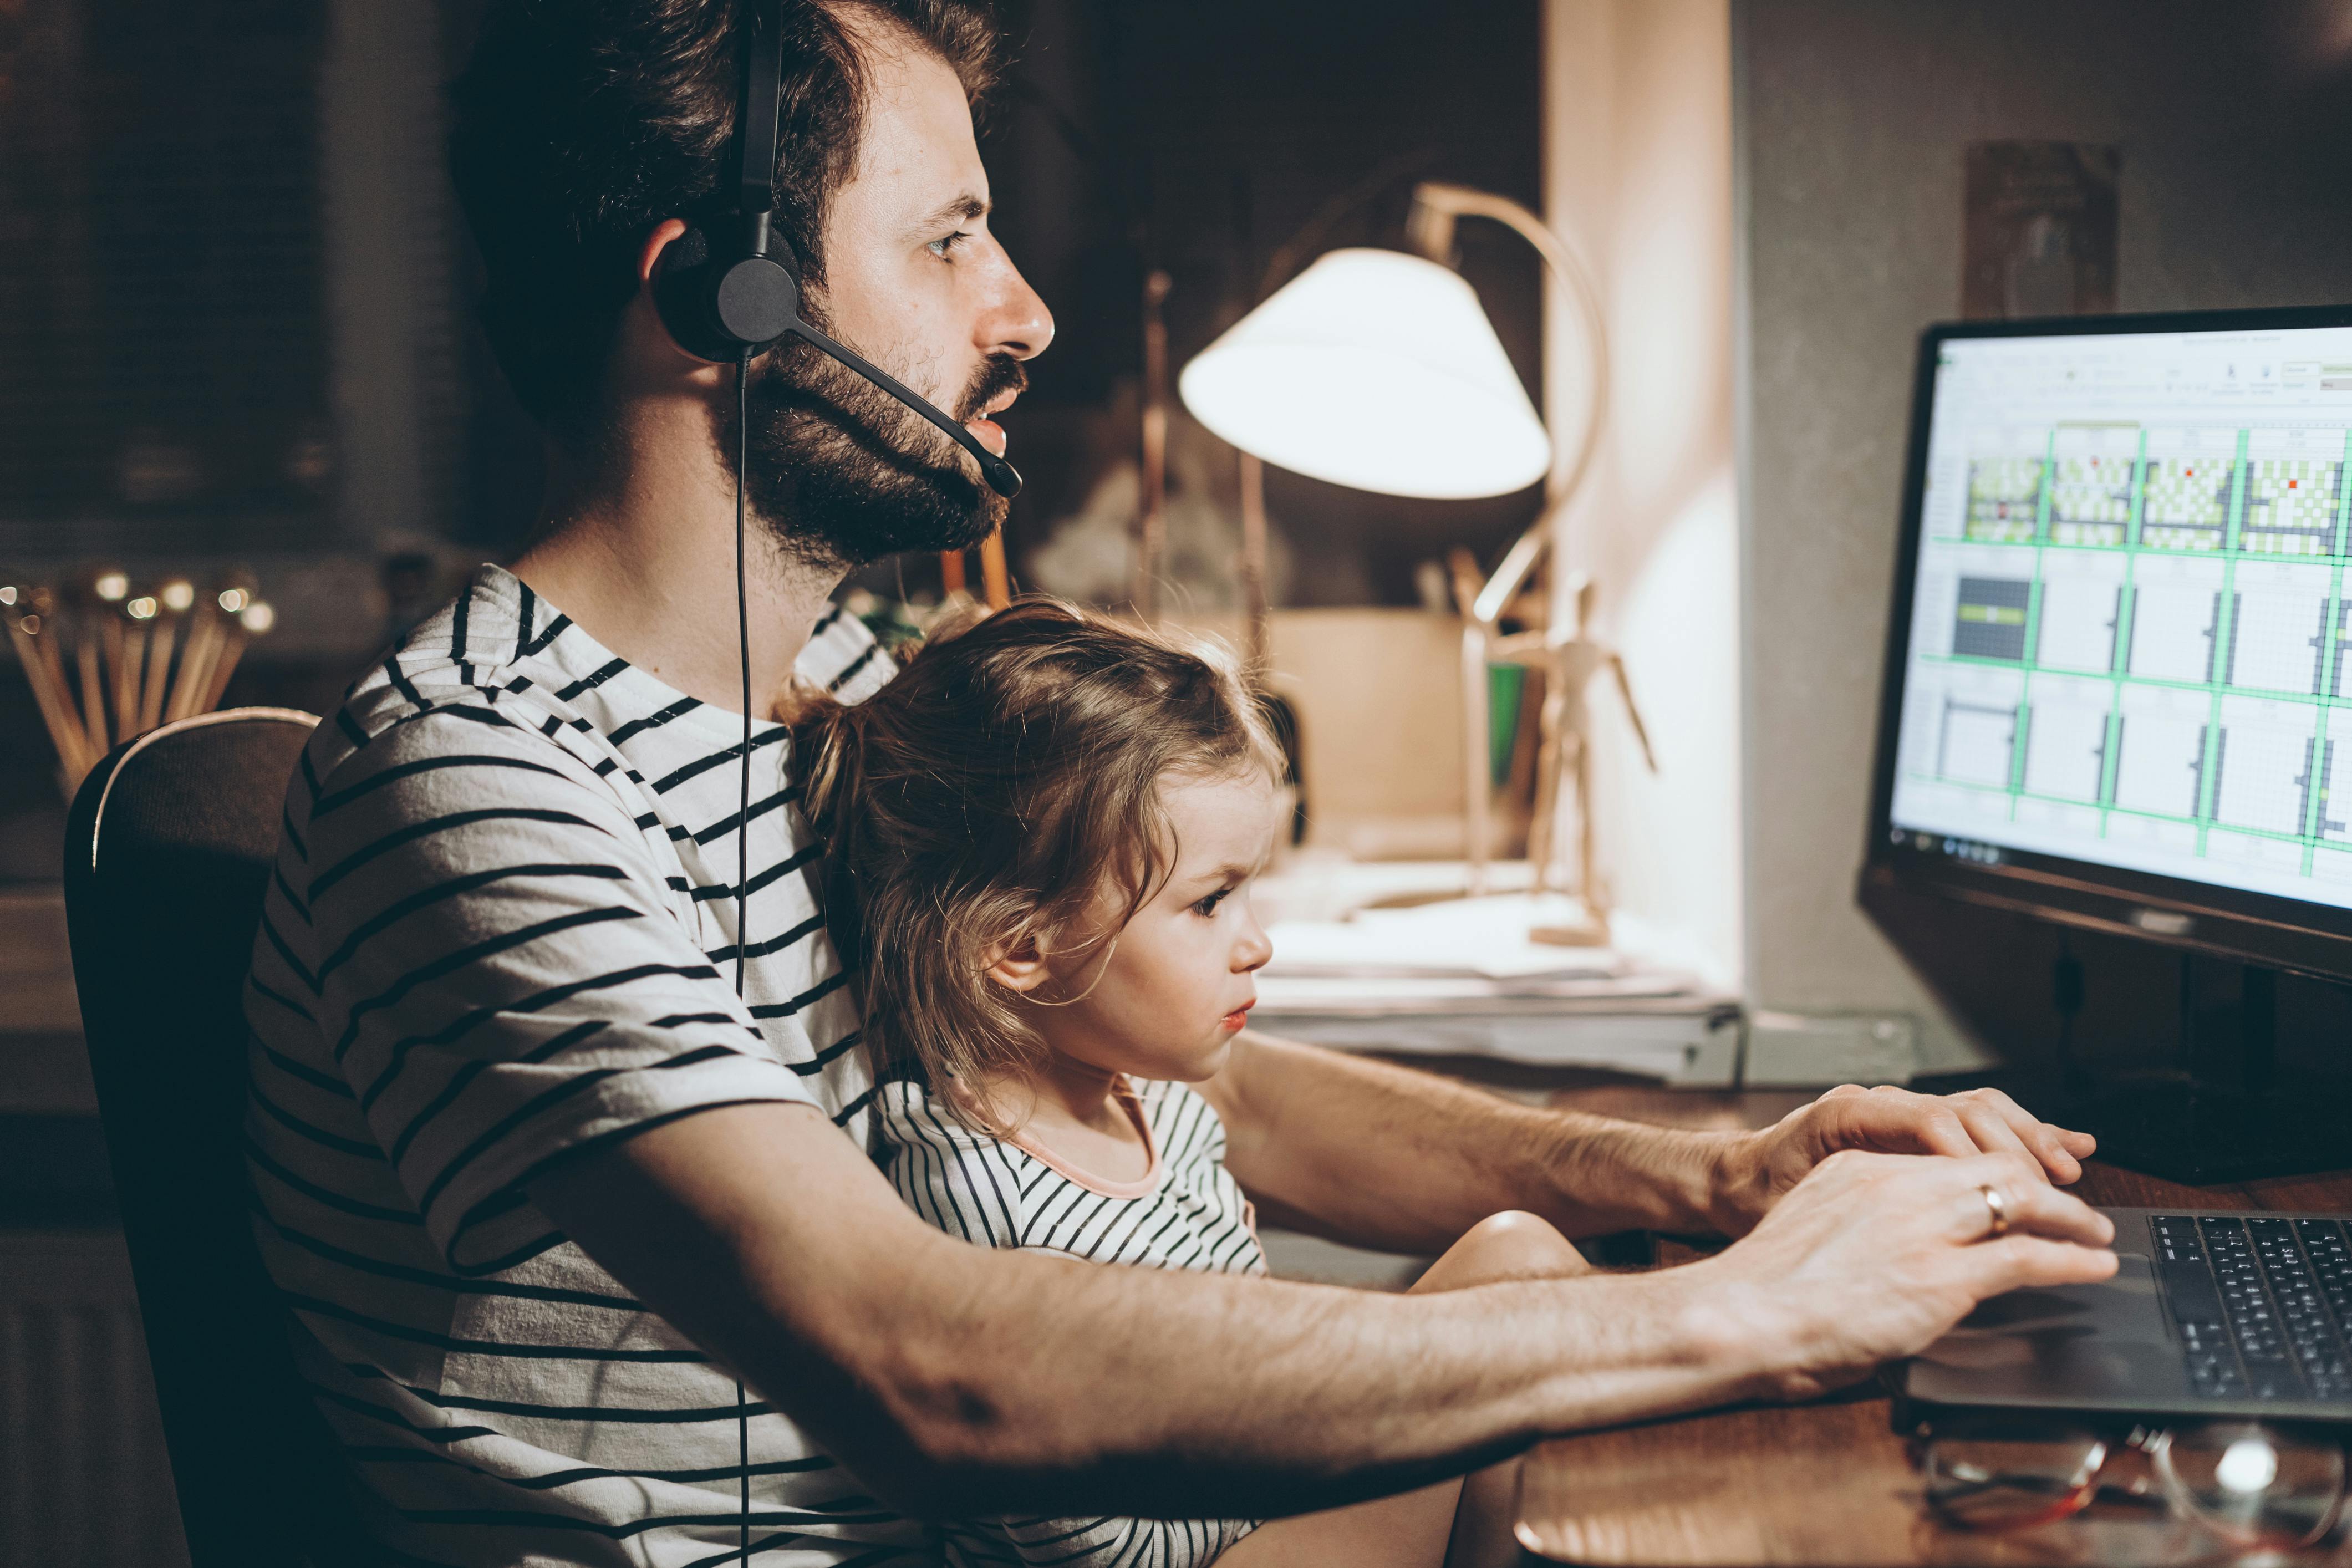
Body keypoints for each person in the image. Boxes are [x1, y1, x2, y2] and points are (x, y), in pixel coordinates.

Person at [241, 2, 2118, 1564]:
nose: (1025, 309)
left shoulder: (837, 686)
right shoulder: (483, 774)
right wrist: (1754, 1305)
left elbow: (1169, 1069)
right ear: (720, 299)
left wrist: (1704, 1175)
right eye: (948, 237)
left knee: (1548, 1300)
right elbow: (923, 1360)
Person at [800, 598, 1594, 1567]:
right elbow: (1074, 1535)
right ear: (1019, 944)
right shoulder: (980, 1193)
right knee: (1513, 1280)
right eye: (1209, 901)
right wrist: (1338, 1425)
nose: (1255, 942)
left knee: (1518, 1276)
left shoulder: (1153, 1101)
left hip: (1256, 1510)